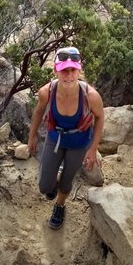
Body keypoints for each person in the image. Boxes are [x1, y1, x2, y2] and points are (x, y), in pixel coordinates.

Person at [28, 46, 105, 230]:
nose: (69, 75)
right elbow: (38, 111)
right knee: (44, 187)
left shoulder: (91, 96)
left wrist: (93, 148)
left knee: (67, 181)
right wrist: (31, 137)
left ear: (79, 70)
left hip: (78, 143)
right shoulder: (47, 92)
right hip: (55, 138)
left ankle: (60, 206)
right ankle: (53, 180)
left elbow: (100, 117)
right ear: (56, 70)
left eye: (73, 70)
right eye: (64, 70)